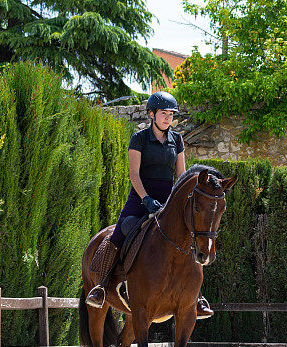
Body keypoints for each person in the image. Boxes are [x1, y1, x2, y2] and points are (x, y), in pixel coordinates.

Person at [86, 91, 214, 318]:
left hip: (169, 197)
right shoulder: (139, 139)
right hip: (140, 195)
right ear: (152, 114)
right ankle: (101, 287)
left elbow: (182, 174)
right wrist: (145, 199)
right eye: (163, 113)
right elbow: (134, 175)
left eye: (171, 114)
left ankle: (199, 297)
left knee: (190, 238)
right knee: (119, 233)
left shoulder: (178, 140)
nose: (168, 118)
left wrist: (180, 199)